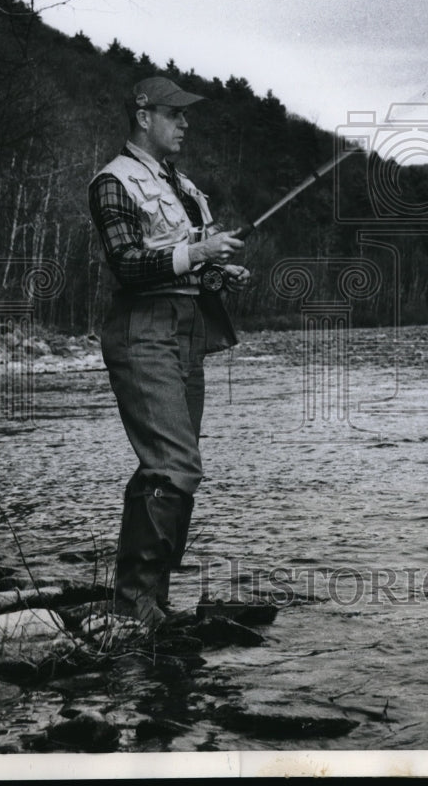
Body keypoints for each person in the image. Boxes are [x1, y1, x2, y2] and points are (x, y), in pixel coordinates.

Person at [88, 75, 249, 630]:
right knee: (174, 464)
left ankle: (150, 599)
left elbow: (183, 259)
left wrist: (217, 269)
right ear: (142, 115)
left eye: (184, 117)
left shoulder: (183, 185)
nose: (184, 125)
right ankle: (134, 604)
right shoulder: (113, 182)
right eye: (174, 115)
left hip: (187, 327)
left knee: (173, 467)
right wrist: (199, 249)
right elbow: (128, 264)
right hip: (142, 329)